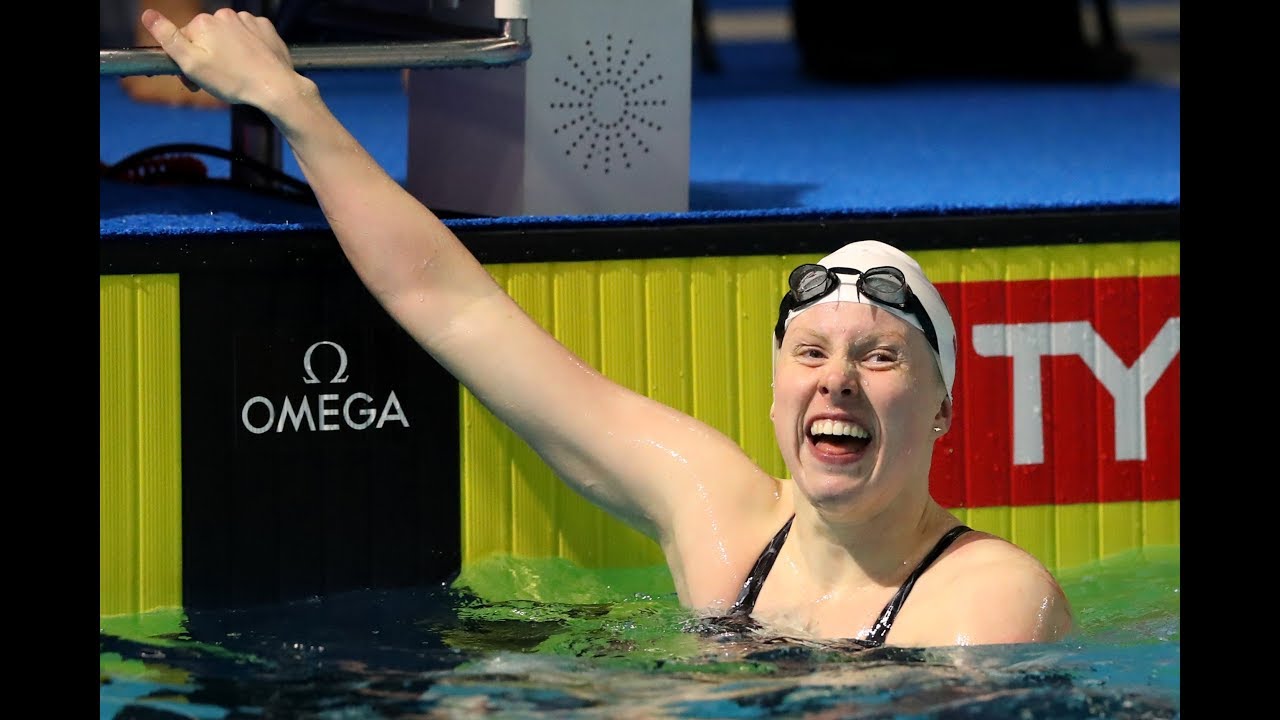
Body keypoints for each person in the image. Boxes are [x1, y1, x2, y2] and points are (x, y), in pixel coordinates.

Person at [137, 6, 1074, 648]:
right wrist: (294, 103)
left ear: (945, 409)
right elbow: (456, 306)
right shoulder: (722, 521)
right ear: (777, 384)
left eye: (880, 358)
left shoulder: (986, 599)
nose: (837, 381)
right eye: (812, 352)